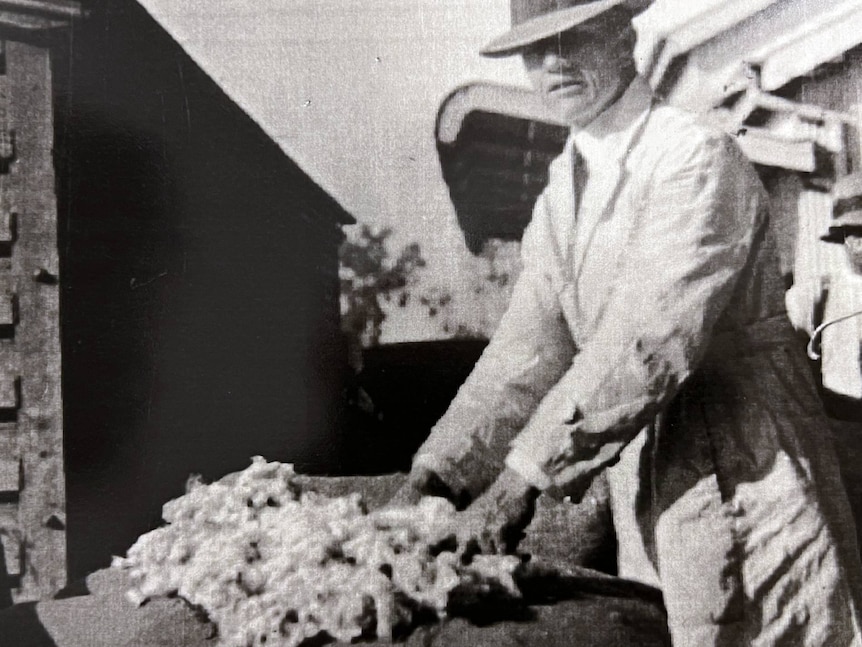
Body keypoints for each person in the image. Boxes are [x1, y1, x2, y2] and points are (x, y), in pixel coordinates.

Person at [391, 0, 862, 645]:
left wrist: (517, 486)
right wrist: (436, 474)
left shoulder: (693, 154)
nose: (553, 62)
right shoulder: (564, 189)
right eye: (535, 48)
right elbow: (523, 352)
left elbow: (649, 336)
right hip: (652, 468)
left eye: (575, 36)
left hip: (748, 459)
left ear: (623, 36)